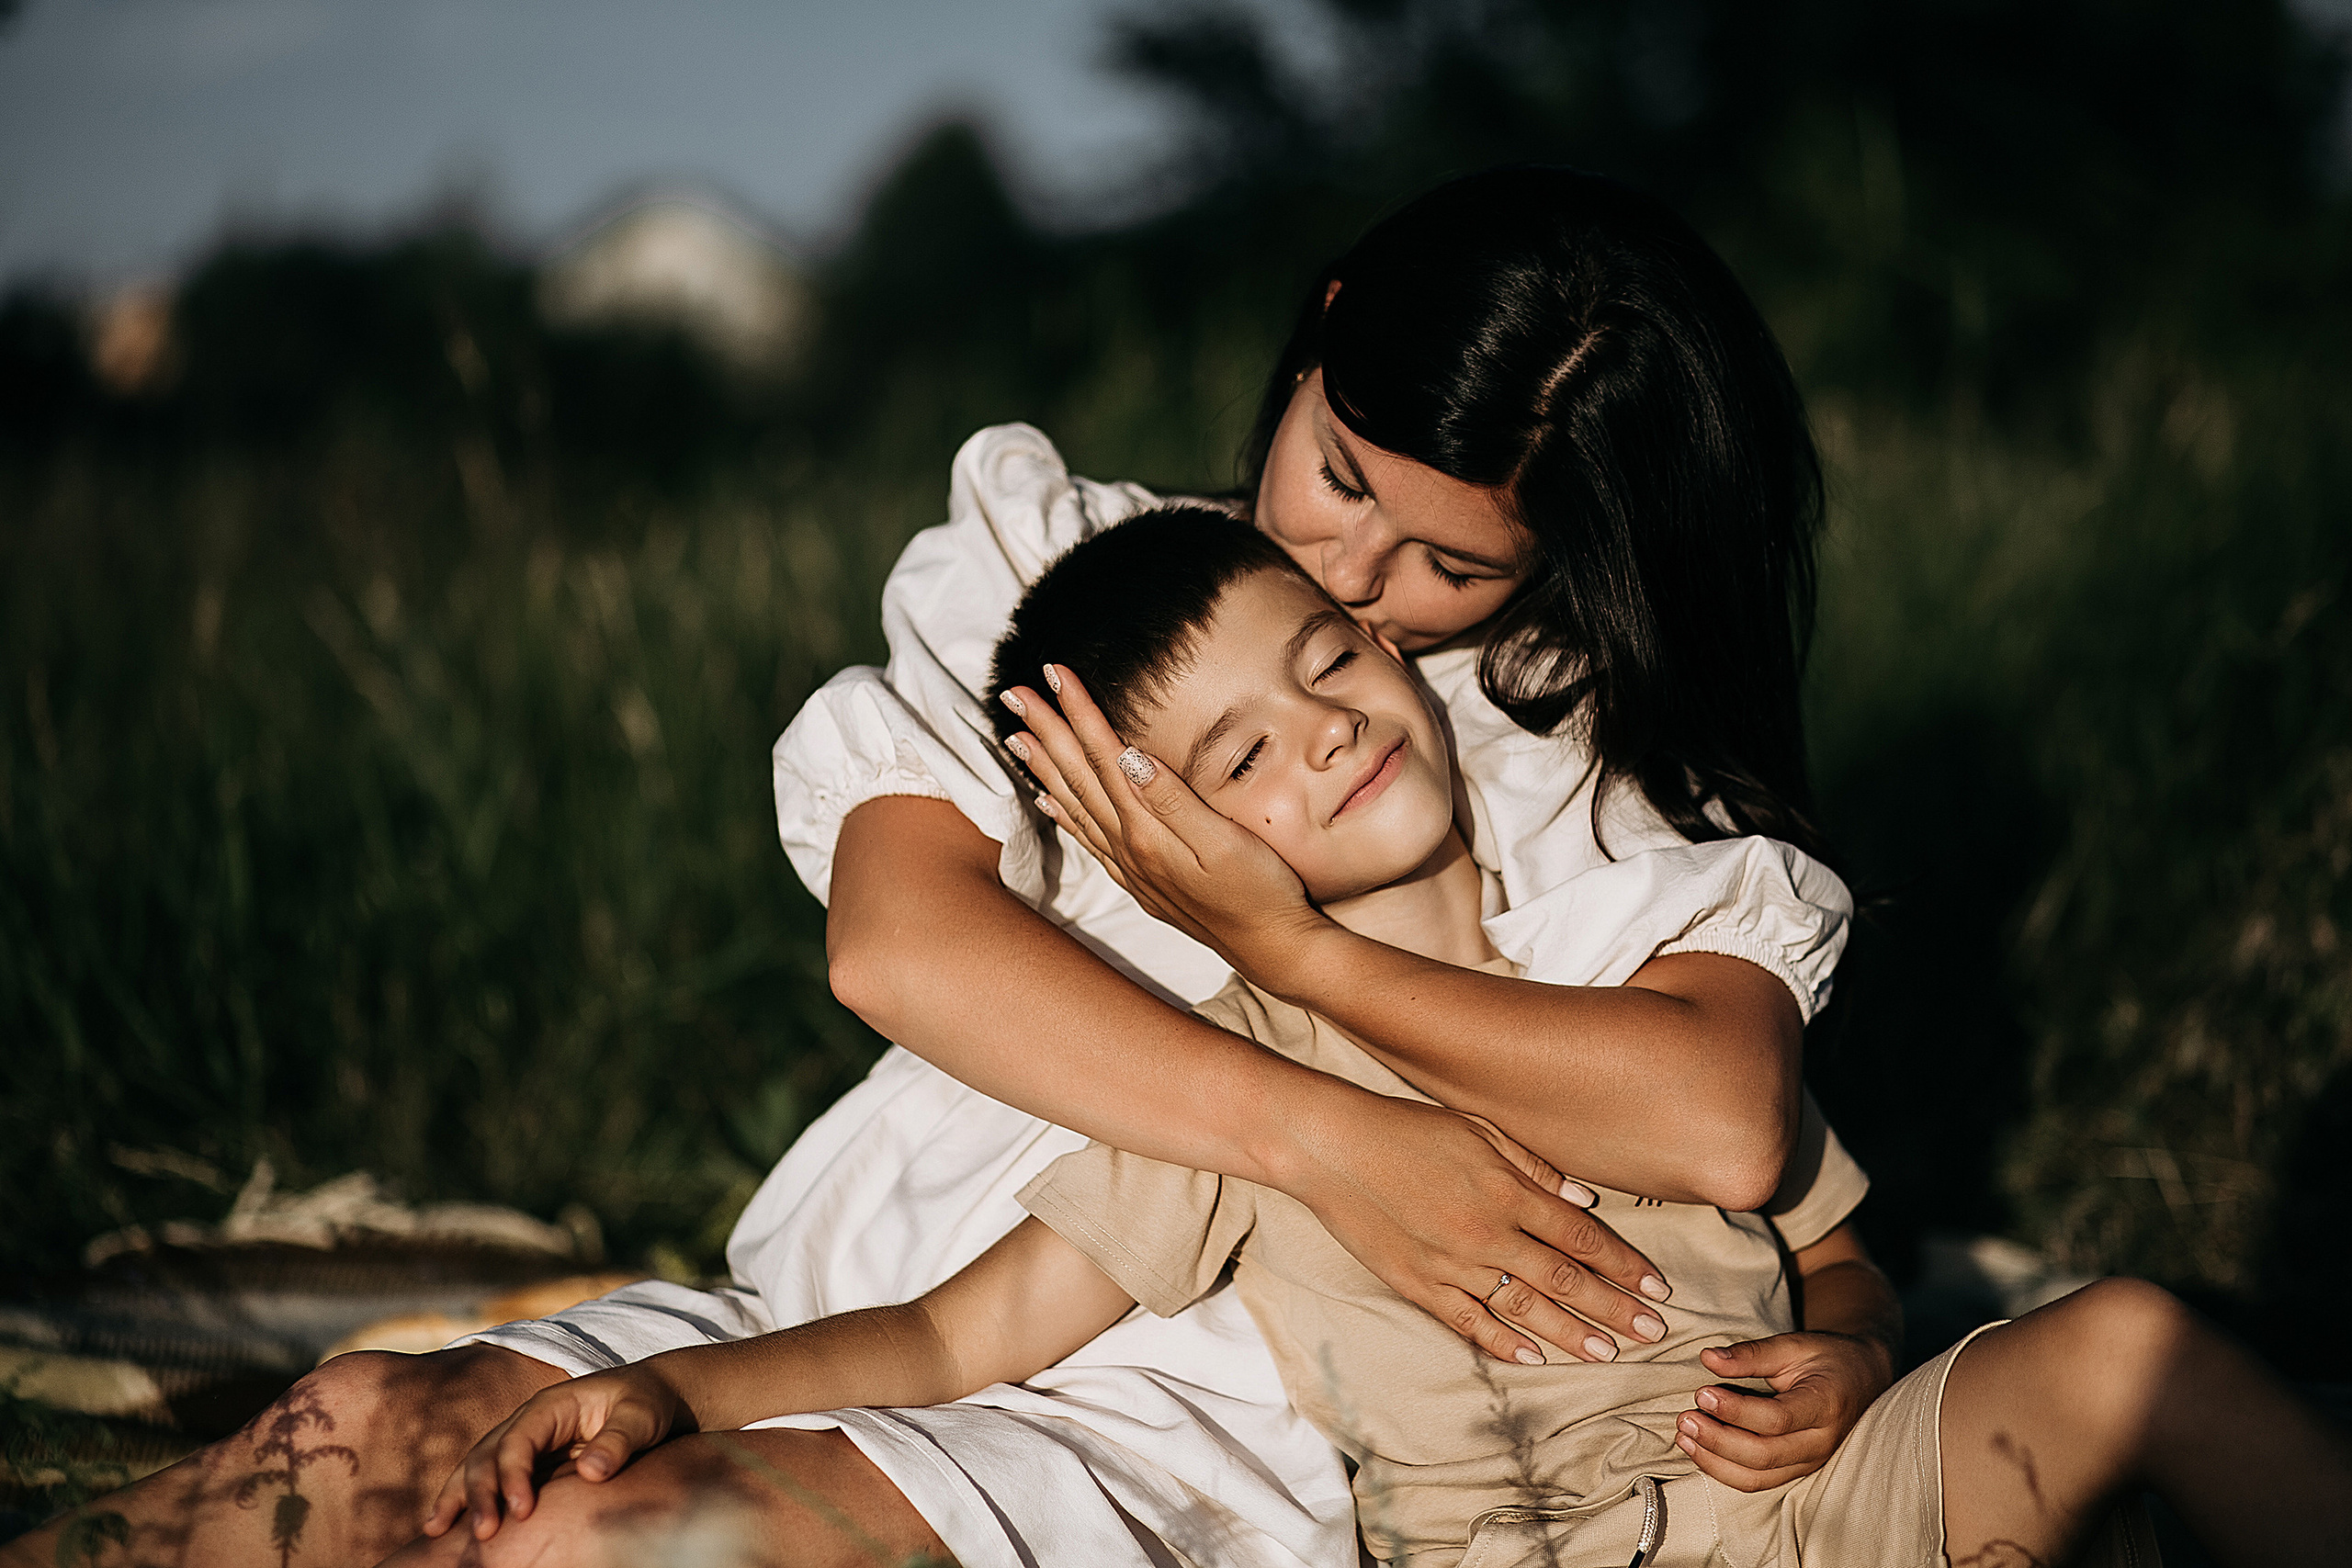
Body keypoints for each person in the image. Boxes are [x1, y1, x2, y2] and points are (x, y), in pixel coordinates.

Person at [9, 167, 1882, 1568]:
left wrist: (1313, 973)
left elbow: (1724, 1122)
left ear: (1563, 561)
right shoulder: (1076, 578)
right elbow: (902, 941)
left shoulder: (1544, 757)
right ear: (1313, 334)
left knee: (601, 1546)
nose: (1349, 570)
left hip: (1187, 1413)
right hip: (840, 1310)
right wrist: (1330, 1131)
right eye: (1339, 469)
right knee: (357, 1440)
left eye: (1443, 566)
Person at [415, 511, 2352, 1568]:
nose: (1323, 728)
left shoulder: (1618, 974)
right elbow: (951, 1335)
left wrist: (1849, 1352)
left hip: (1802, 1512)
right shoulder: (1229, 1092)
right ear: (1155, 845)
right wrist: (686, 1396)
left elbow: (1833, 1233)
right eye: (1237, 754)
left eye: (1328, 662)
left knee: (2125, 1341)